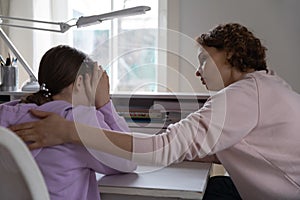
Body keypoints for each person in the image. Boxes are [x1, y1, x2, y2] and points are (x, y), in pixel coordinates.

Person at [10, 23, 300, 199]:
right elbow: (197, 148)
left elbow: (162, 149)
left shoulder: (244, 95)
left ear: (230, 54)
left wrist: (71, 132)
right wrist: (161, 145)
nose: (197, 71)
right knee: (215, 188)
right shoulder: (263, 87)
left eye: (202, 59)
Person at [1, 45, 137, 200]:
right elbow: (130, 159)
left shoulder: (7, 112)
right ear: (80, 82)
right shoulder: (78, 120)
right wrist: (105, 104)